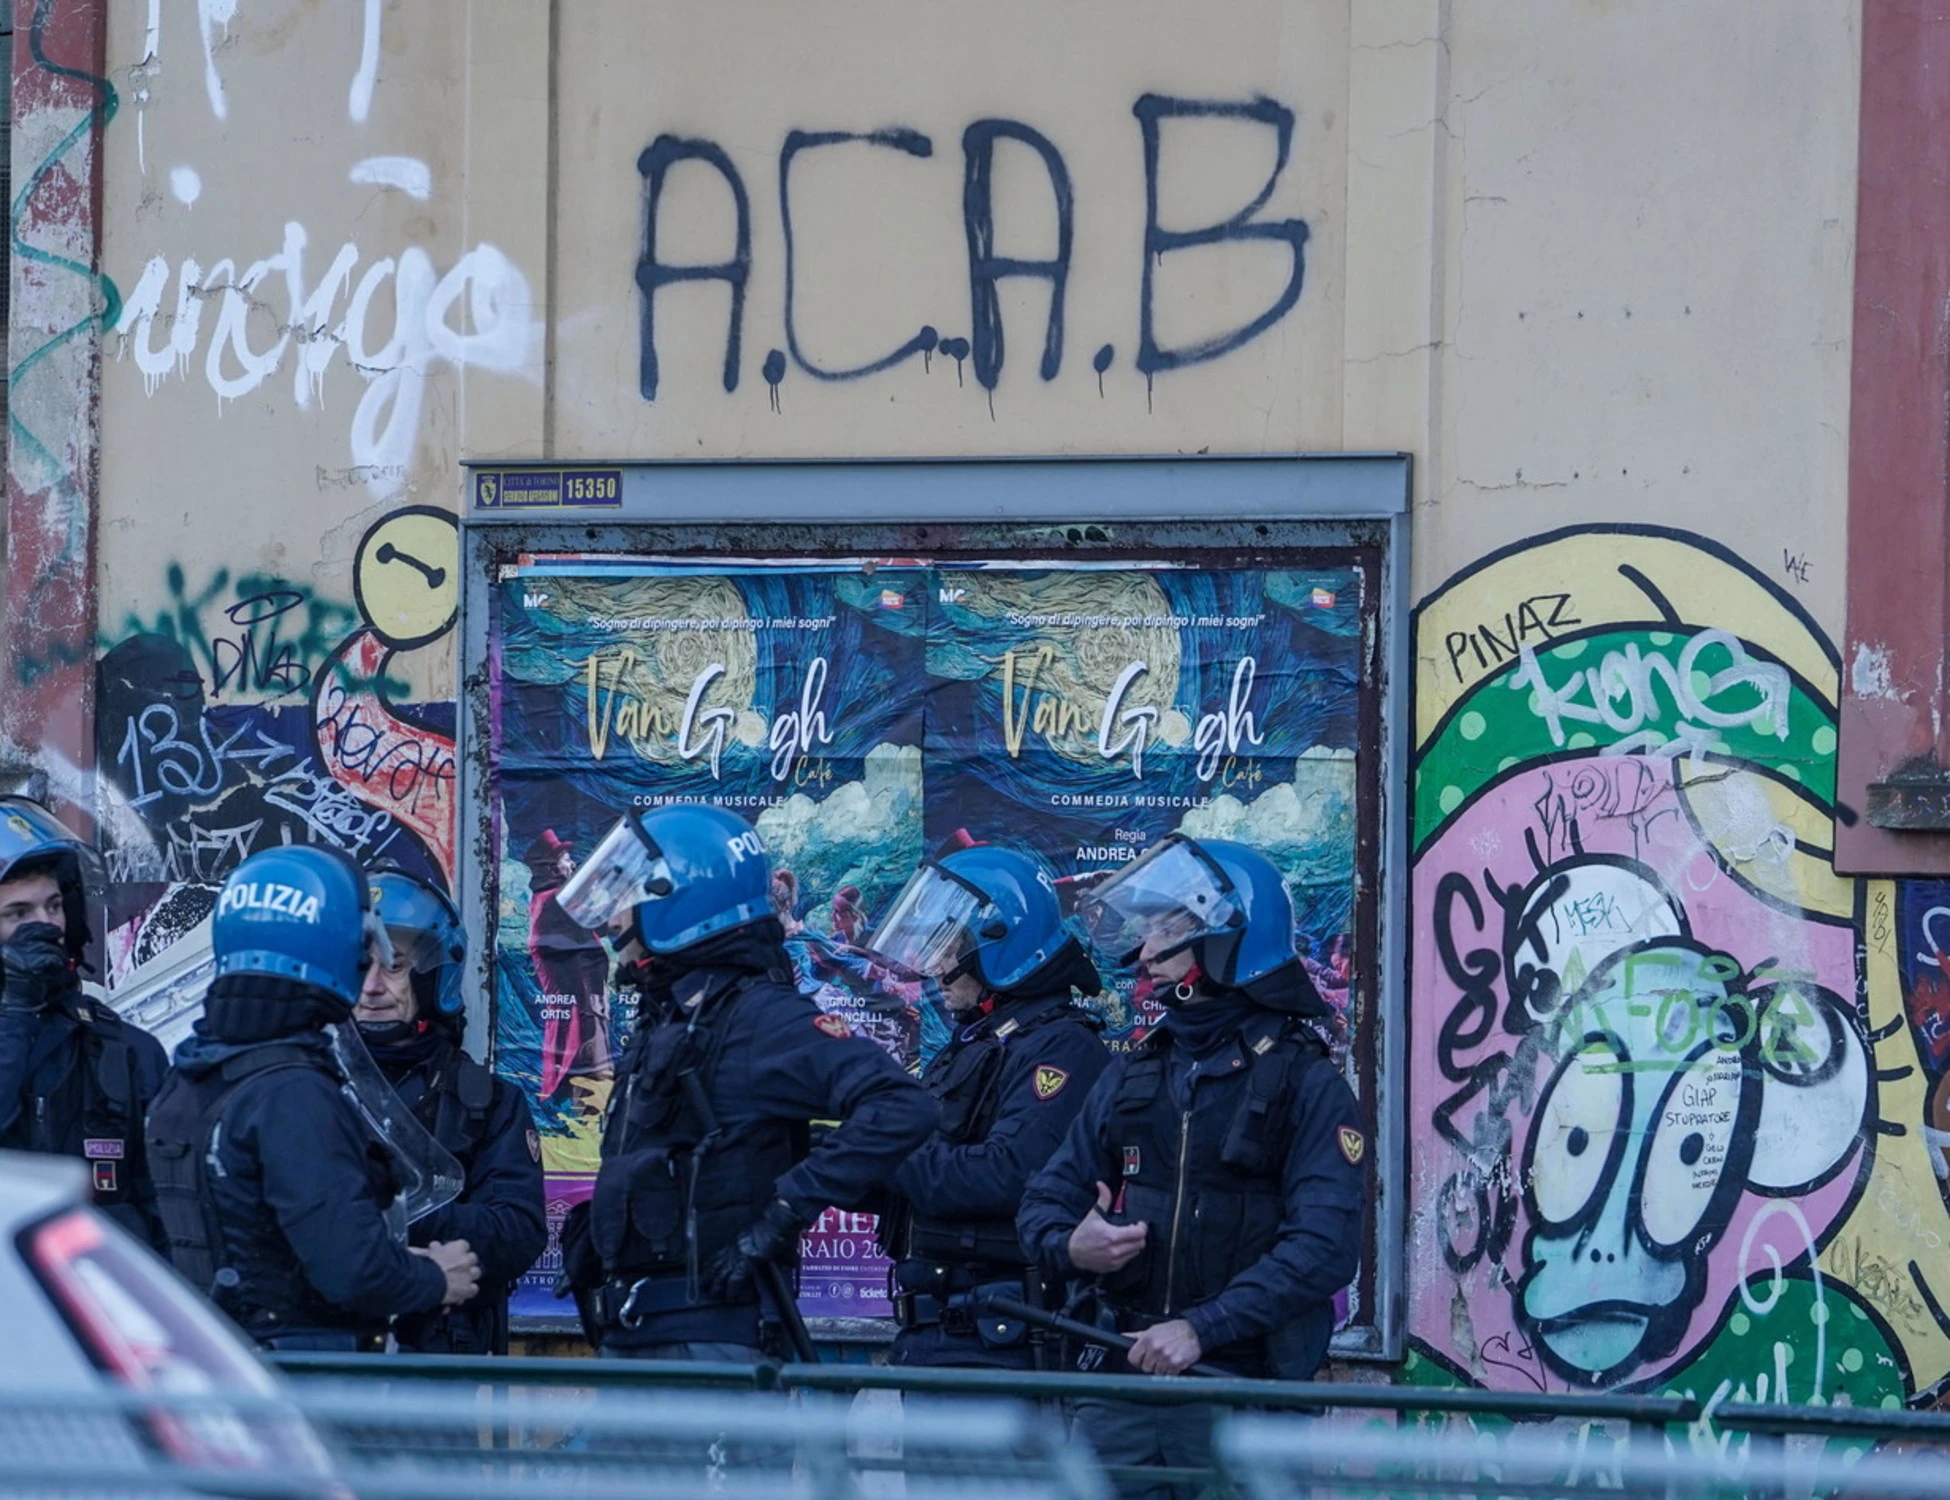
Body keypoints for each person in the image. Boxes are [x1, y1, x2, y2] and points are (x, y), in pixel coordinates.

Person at [1019, 832, 1367, 1499]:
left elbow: (1325, 1249)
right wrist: (1070, 1245)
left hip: (1242, 1398)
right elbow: (1044, 1196)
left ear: (1228, 940)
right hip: (1118, 1392)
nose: (1146, 953)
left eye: (1167, 932)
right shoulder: (1135, 1072)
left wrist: (1202, 1329)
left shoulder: (1308, 1083)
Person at [553, 803, 937, 1361]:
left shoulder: (761, 1017)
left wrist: (785, 1213)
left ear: (677, 900)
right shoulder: (677, 1013)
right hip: (645, 1331)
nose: (612, 920)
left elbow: (902, 1105)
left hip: (714, 1339)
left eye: (628, 899)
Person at [147, 846, 481, 1351]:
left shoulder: (188, 1078)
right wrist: (435, 1276)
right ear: (335, 947)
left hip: (212, 1365)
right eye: (366, 948)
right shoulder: (292, 1094)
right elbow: (352, 1268)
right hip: (299, 1384)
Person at [868, 842, 1112, 1370]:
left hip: (1002, 1339)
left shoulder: (1063, 1048)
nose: (934, 965)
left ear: (997, 946)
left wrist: (881, 1142)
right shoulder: (978, 1042)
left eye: (949, 948)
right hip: (936, 1333)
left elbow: (1007, 1175)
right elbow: (909, 1180)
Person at [355, 869, 547, 1354]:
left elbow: (517, 1232)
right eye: (359, 965)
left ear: (432, 974)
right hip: (327, 1357)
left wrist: (378, 1220)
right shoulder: (306, 1086)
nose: (372, 986)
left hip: (440, 1363)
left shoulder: (484, 1101)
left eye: (394, 965)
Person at [0, 796, 169, 1248]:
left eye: (54, 906)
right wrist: (16, 1009)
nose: (47, 925)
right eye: (18, 914)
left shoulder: (121, 1048)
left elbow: (169, 1208)